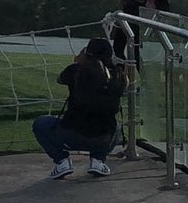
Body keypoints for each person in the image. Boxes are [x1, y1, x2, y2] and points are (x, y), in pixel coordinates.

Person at [33, 37, 125, 179]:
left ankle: (62, 161)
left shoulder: (75, 71)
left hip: (70, 133)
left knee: (41, 123)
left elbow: (60, 79)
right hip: (102, 137)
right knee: (117, 127)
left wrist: (80, 60)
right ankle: (97, 160)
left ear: (87, 52)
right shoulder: (119, 76)